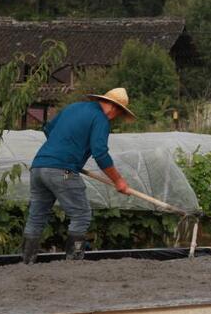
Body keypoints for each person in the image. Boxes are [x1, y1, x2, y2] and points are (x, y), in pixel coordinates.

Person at [21, 88, 135, 263]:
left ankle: (26, 261)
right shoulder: (101, 119)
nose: (116, 117)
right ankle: (73, 262)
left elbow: (48, 128)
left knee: (36, 216)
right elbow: (100, 153)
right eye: (119, 113)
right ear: (114, 107)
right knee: (81, 214)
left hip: (39, 167)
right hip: (63, 171)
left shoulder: (73, 108)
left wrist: (65, 149)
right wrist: (118, 180)